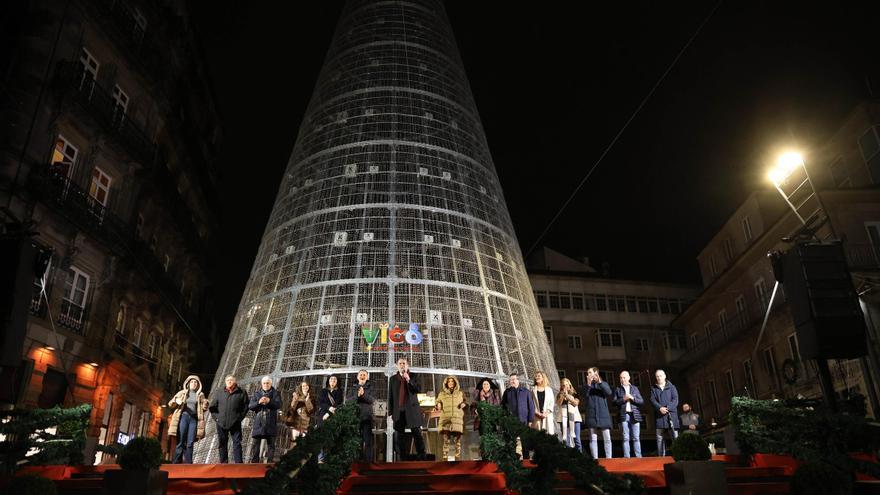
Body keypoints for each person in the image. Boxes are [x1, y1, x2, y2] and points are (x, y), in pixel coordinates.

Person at [387, 357, 426, 460]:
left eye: (404, 363)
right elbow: (390, 396)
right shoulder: (393, 379)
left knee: (417, 434)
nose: (402, 365)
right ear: (397, 366)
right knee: (399, 437)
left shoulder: (414, 376)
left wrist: (409, 380)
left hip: (412, 410)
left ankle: (422, 457)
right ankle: (402, 458)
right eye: (400, 363)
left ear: (407, 365)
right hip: (398, 411)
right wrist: (390, 412)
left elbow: (418, 389)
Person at [168, 375, 209, 464]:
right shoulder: (182, 393)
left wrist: (206, 403)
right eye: (192, 382)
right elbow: (170, 404)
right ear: (188, 383)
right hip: (184, 417)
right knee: (181, 440)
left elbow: (204, 408)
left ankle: (188, 463)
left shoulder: (200, 395)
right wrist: (176, 400)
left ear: (198, 385)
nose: (194, 384)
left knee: (190, 442)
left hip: (194, 419)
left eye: (195, 382)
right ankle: (175, 463)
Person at [209, 375, 249, 463]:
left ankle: (238, 463)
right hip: (221, 423)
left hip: (235, 422)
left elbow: (245, 407)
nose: (229, 382)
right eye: (227, 380)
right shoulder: (219, 392)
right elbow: (212, 407)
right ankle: (224, 463)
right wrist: (217, 419)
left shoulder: (242, 392)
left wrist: (239, 418)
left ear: (235, 381)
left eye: (231, 380)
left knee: (237, 443)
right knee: (222, 443)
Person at [249, 375, 283, 463]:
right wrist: (259, 402)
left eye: (267, 383)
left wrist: (269, 401)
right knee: (255, 444)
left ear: (271, 383)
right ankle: (254, 463)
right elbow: (251, 406)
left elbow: (278, 405)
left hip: (270, 422)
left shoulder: (276, 393)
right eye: (264, 383)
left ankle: (269, 463)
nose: (266, 385)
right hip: (259, 423)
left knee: (271, 445)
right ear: (261, 384)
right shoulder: (257, 394)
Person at [501, 373, 535, 459]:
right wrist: (505, 418)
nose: (512, 381)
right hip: (512, 422)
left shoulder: (526, 391)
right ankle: (513, 461)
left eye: (514, 379)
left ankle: (526, 461)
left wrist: (530, 420)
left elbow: (531, 407)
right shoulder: (507, 392)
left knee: (525, 443)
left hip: (524, 421)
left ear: (518, 380)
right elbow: (503, 406)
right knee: (512, 443)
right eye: (511, 379)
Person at [581, 367, 613, 459]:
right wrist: (588, 384)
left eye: (590, 372)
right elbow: (584, 395)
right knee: (593, 438)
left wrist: (599, 381)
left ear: (596, 373)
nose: (588, 375)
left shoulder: (603, 384)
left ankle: (609, 458)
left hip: (603, 415)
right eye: (587, 373)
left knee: (607, 438)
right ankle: (595, 458)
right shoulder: (586, 386)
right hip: (591, 414)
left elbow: (608, 392)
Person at [612, 371, 644, 458]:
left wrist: (632, 398)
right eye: (621, 378)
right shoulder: (618, 389)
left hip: (635, 415)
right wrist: (623, 399)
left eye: (624, 377)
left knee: (636, 438)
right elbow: (614, 403)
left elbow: (641, 401)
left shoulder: (635, 388)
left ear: (629, 378)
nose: (622, 379)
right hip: (624, 415)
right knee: (625, 438)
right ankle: (627, 457)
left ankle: (638, 457)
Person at [435, 375, 467, 461]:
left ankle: (458, 456)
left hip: (457, 418)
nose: (450, 383)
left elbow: (465, 401)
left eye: (452, 381)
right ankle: (445, 456)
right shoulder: (442, 394)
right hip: (446, 418)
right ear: (446, 383)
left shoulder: (460, 393)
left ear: (455, 383)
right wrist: (438, 404)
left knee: (457, 440)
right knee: (446, 439)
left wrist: (464, 404)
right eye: (449, 381)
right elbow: (438, 401)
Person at [347, 370, 375, 462]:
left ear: (367, 377)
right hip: (355, 417)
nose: (362, 376)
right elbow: (348, 401)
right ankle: (356, 461)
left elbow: (372, 400)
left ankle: (368, 462)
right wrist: (358, 396)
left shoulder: (371, 388)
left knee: (368, 441)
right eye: (361, 375)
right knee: (356, 440)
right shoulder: (353, 388)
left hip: (367, 417)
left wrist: (363, 395)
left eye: (364, 375)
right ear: (357, 377)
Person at [650, 369, 679, 456]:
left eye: (660, 376)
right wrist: (660, 408)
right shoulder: (653, 389)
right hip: (659, 417)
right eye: (657, 376)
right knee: (660, 439)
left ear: (665, 376)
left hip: (671, 416)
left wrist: (667, 408)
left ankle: (677, 455)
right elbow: (652, 400)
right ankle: (661, 458)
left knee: (675, 438)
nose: (659, 378)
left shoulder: (672, 387)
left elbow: (675, 400)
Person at [316, 374, 344, 462]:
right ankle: (320, 458)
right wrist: (328, 408)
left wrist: (328, 413)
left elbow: (338, 403)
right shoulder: (323, 391)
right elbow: (320, 402)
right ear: (328, 380)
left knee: (331, 437)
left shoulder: (339, 391)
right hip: (322, 416)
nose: (333, 381)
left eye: (335, 380)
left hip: (333, 415)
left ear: (337, 382)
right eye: (331, 379)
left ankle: (330, 458)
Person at [283, 381, 315, 449]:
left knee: (303, 444)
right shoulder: (297, 396)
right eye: (303, 386)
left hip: (305, 423)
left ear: (309, 387)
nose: (305, 387)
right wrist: (295, 399)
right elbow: (292, 408)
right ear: (301, 387)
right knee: (294, 442)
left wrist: (307, 400)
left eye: (306, 385)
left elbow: (311, 410)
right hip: (296, 422)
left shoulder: (311, 398)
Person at [555, 378, 582, 451]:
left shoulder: (575, 393)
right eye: (563, 385)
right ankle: (568, 457)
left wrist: (567, 396)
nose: (565, 386)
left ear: (569, 384)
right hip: (563, 419)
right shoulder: (559, 394)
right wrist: (563, 395)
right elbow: (558, 403)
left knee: (577, 439)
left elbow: (575, 403)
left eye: (566, 384)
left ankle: (580, 456)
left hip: (575, 419)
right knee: (565, 439)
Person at [531, 371, 556, 435]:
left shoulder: (549, 389)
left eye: (538, 376)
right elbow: (531, 403)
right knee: (538, 437)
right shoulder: (533, 390)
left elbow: (551, 402)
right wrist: (537, 413)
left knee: (549, 436)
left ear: (543, 378)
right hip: (537, 417)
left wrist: (546, 413)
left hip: (547, 416)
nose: (536, 377)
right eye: (536, 376)